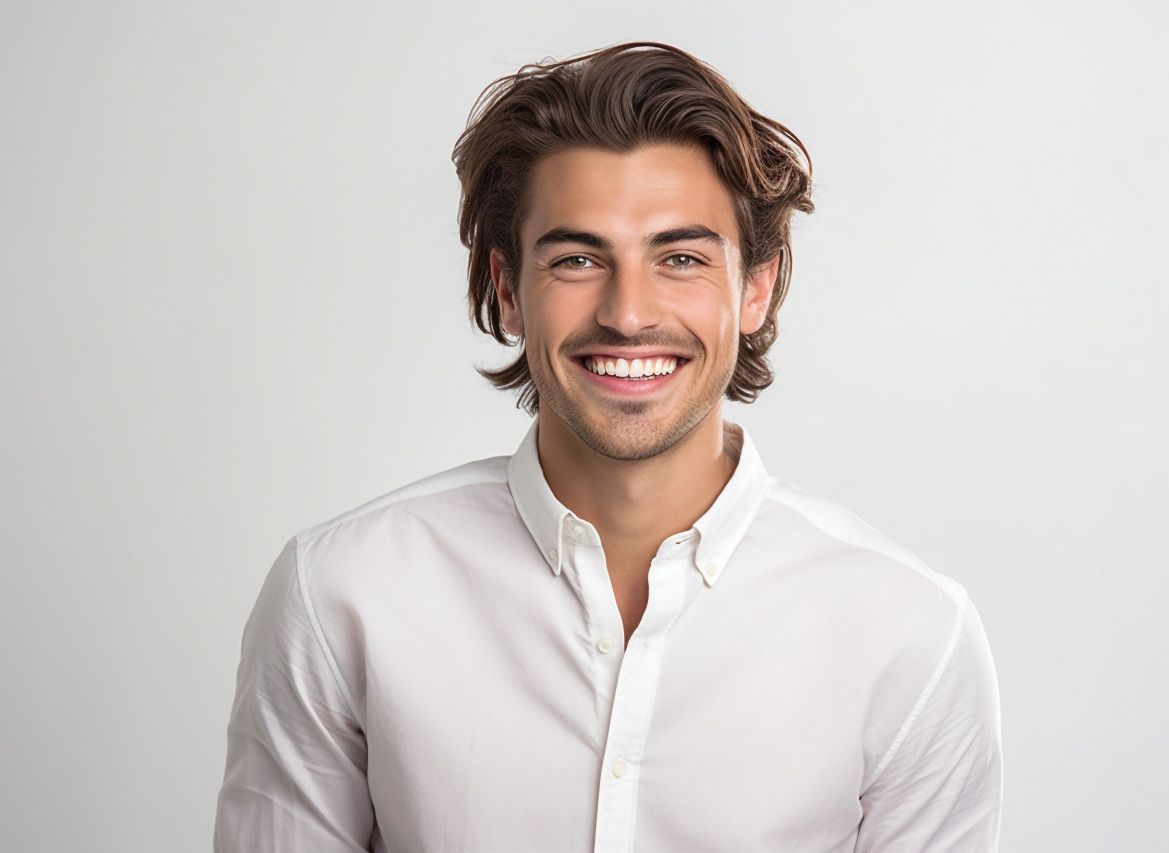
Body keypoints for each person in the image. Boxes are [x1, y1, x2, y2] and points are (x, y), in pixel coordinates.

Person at [213, 42, 1002, 852]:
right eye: (579, 258)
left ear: (756, 288)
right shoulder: (342, 593)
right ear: (509, 288)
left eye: (682, 258)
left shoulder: (909, 635)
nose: (629, 313)